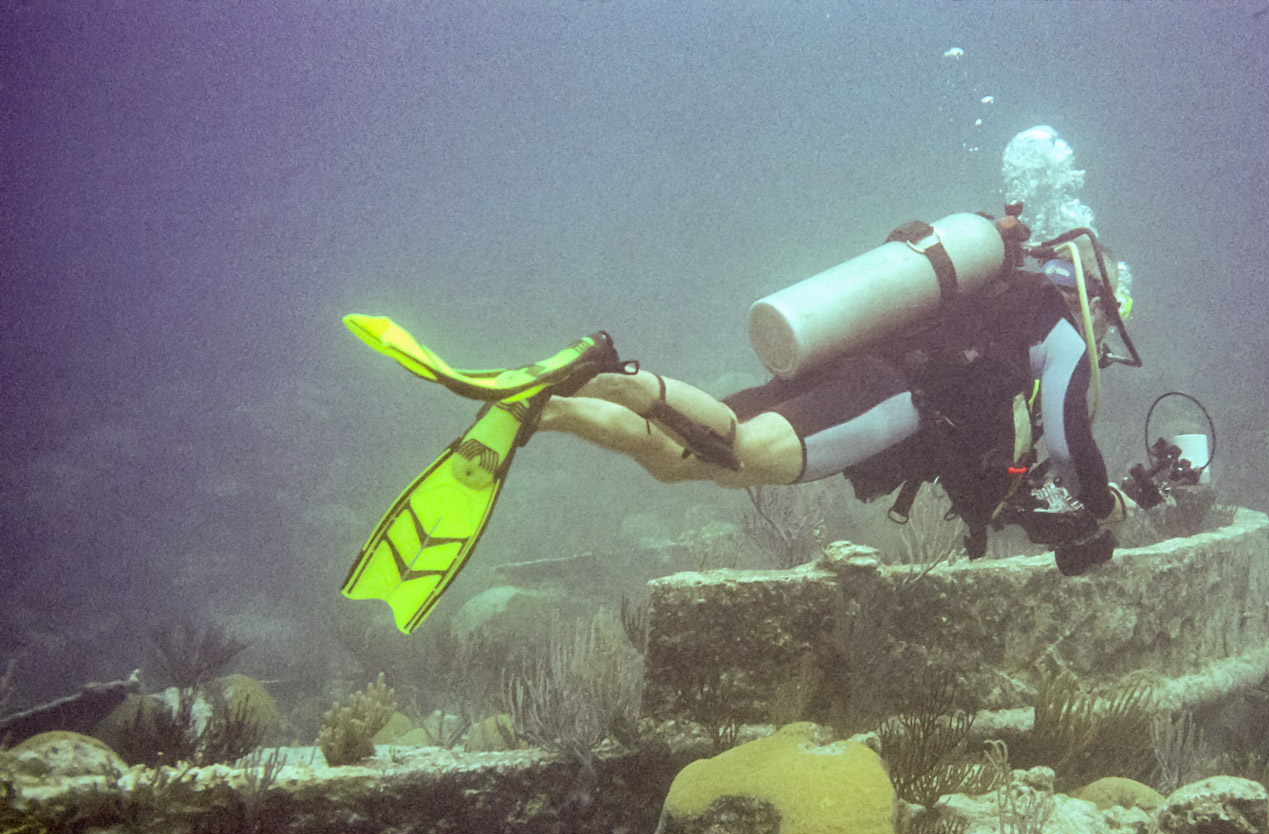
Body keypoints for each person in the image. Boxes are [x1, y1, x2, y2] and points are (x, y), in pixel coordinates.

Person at [340, 209, 1141, 633]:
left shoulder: (987, 300)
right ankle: (607, 361)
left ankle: (543, 406)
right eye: (1109, 322)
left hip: (854, 370)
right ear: (1098, 302)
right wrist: (1102, 506)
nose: (1103, 338)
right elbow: (1070, 436)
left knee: (682, 459)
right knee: (743, 450)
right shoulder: (1060, 327)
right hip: (891, 400)